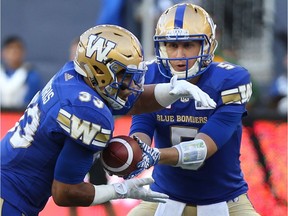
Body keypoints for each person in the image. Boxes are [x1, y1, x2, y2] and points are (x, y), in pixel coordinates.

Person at [0, 24, 215, 216]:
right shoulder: (88, 111)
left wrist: (172, 90)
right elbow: (65, 192)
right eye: (125, 75)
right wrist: (121, 190)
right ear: (100, 70)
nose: (132, 84)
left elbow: (132, 100)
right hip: (9, 198)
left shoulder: (73, 76)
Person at [126, 3, 260, 216]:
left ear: (207, 46)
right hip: (164, 197)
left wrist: (154, 155)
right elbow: (142, 125)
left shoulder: (229, 80)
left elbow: (203, 149)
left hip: (225, 201)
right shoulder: (150, 75)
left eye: (188, 45)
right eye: (171, 45)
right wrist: (132, 151)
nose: (179, 55)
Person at [0, 36, 42, 110]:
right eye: (10, 49)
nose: (13, 52)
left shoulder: (31, 75)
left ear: (23, 52)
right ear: (3, 53)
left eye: (17, 49)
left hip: (21, 116)